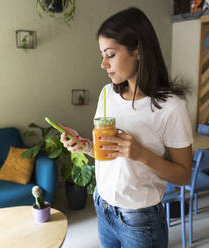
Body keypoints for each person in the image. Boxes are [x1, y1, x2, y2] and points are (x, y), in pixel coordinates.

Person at [59, 7, 193, 248]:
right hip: (102, 206)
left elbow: (183, 175)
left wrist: (141, 154)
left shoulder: (171, 107)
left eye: (110, 54)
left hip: (140, 220)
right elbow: (106, 153)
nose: (103, 64)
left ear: (138, 50)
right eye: (102, 55)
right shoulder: (107, 94)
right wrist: (84, 145)